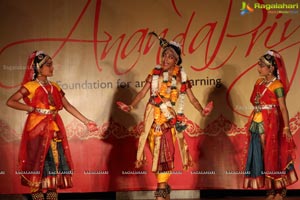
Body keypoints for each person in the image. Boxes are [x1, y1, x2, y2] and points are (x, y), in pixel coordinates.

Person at [117, 32, 213, 200]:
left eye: (170, 57)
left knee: (165, 153)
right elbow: (142, 93)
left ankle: (160, 193)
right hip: (151, 118)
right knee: (156, 154)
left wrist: (201, 110)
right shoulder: (154, 73)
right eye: (164, 55)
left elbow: (191, 98)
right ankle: (164, 189)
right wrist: (131, 106)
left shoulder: (181, 77)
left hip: (168, 118)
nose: (165, 59)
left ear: (176, 60)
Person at [6, 51, 98, 200]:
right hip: (37, 132)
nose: (52, 68)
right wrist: (30, 109)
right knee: (38, 171)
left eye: (52, 64)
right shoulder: (30, 86)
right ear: (39, 68)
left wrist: (86, 121)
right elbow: (11, 101)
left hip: (54, 130)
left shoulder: (54, 86)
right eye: (48, 65)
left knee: (53, 172)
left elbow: (67, 106)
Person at [243, 50, 298, 200]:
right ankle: (270, 190)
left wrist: (286, 127)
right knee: (261, 154)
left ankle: (280, 189)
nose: (258, 68)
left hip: (272, 122)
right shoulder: (258, 82)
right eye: (259, 65)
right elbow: (254, 100)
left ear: (271, 68)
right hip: (258, 120)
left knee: (273, 154)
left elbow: (282, 107)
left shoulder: (277, 85)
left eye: (261, 65)